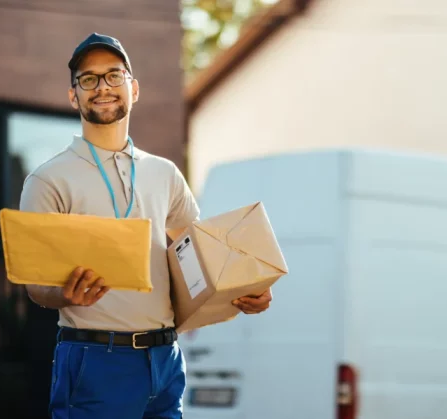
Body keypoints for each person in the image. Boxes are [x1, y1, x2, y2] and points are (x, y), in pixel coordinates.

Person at [18, 32, 274, 419]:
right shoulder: (49, 180)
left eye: (113, 76)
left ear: (133, 89)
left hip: (166, 361)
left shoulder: (165, 173)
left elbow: (200, 256)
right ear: (74, 96)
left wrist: (245, 289)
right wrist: (65, 295)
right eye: (88, 79)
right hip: (95, 360)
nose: (102, 87)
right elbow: (35, 284)